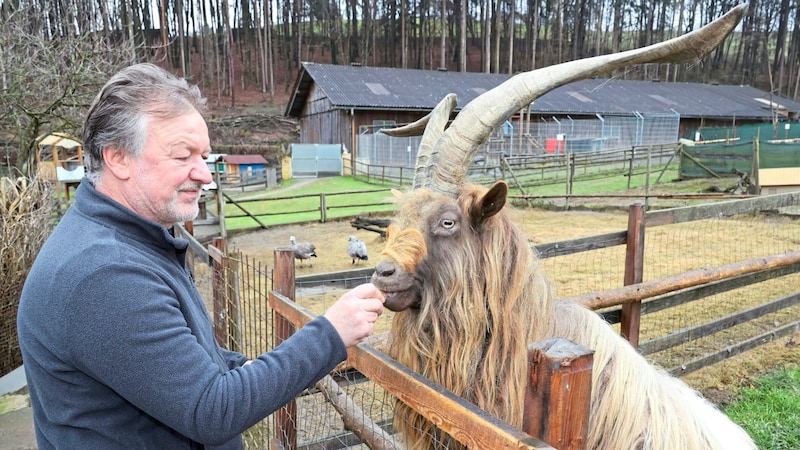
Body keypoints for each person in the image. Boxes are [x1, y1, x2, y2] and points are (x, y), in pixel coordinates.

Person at [17, 63, 386, 449]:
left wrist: (236, 367)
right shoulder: (103, 275)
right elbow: (211, 411)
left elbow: (166, 364)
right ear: (118, 158)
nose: (206, 175)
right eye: (182, 156)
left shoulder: (130, 242)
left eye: (204, 156)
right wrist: (330, 334)